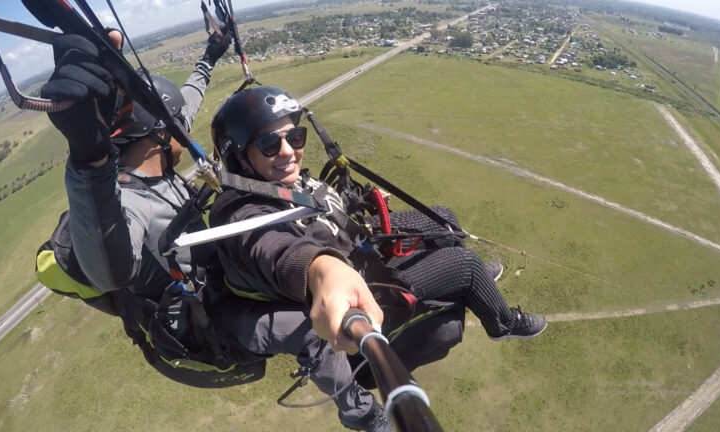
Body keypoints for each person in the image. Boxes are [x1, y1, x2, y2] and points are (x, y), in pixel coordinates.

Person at [208, 86, 548, 430]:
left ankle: (472, 284)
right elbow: (276, 251)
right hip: (358, 289)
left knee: (443, 219)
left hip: (356, 243)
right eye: (269, 144)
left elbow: (324, 207)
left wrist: (357, 202)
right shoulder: (242, 216)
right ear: (239, 157)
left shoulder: (278, 182)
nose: (288, 151)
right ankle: (501, 323)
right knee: (467, 267)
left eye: (295, 137)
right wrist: (321, 270)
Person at [37, 29, 258, 387]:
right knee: (304, 326)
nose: (184, 134)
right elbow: (109, 272)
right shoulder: (130, 201)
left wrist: (210, 55)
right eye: (176, 129)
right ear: (159, 134)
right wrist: (89, 159)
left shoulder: (155, 146)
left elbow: (185, 101)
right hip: (206, 318)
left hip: (217, 276)